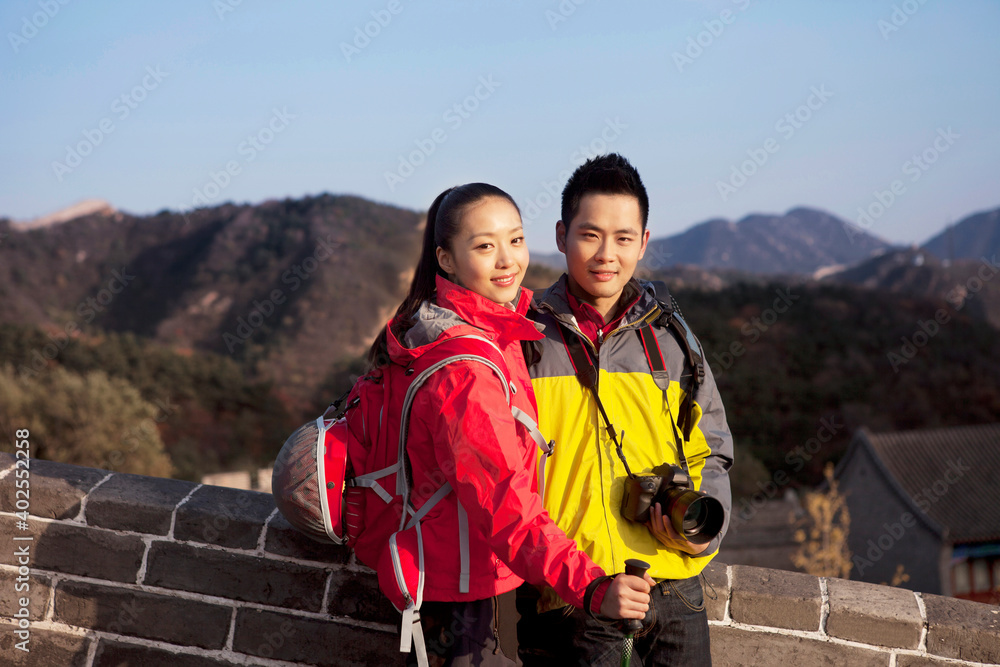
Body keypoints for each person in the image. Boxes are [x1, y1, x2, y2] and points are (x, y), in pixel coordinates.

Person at [365, 182, 653, 666]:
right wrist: (591, 585)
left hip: (446, 573)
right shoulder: (466, 368)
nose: (507, 261)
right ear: (447, 259)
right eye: (484, 246)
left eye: (515, 240)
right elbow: (504, 503)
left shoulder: (468, 328)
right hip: (462, 599)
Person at [517, 155, 734, 666]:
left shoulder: (670, 335)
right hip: (572, 597)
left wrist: (701, 535)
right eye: (590, 235)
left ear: (643, 241)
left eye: (623, 237)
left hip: (676, 587)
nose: (606, 254)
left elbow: (714, 446)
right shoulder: (525, 339)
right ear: (561, 235)